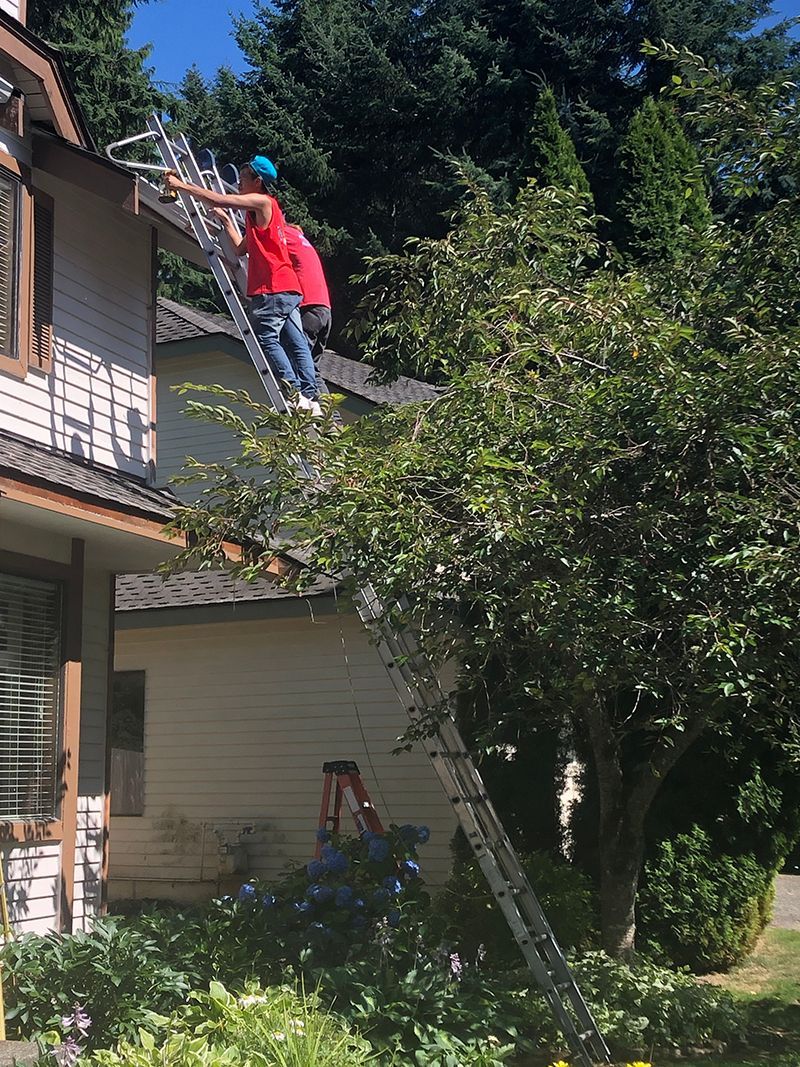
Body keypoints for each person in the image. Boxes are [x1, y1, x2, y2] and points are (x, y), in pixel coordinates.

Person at [164, 157, 320, 413]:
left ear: (257, 182)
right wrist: (226, 222)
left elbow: (219, 199)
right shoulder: (264, 215)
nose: (238, 182)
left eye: (244, 178)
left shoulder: (263, 202)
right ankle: (310, 398)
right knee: (295, 342)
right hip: (288, 288)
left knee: (267, 337)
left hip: (272, 288)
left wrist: (181, 186)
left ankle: (293, 394)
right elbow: (239, 249)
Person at [284, 224, 332, 363]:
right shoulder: (299, 239)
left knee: (296, 361)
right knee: (312, 369)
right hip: (324, 310)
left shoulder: (283, 233)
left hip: (308, 307)